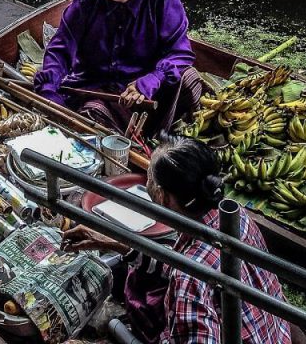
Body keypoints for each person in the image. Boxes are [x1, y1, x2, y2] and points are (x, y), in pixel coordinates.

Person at [61, 137, 291, 344]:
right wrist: (110, 242)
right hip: (275, 334)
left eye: (149, 177)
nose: (147, 181)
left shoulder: (188, 277)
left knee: (139, 289)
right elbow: (177, 264)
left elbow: (188, 275)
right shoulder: (234, 214)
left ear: (162, 195)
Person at [34, 0, 200, 135]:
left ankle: (176, 129)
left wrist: (153, 79)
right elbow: (60, 50)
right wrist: (49, 89)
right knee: (94, 114)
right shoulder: (86, 3)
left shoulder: (163, 2)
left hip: (147, 93)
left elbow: (180, 53)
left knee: (190, 79)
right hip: (99, 91)